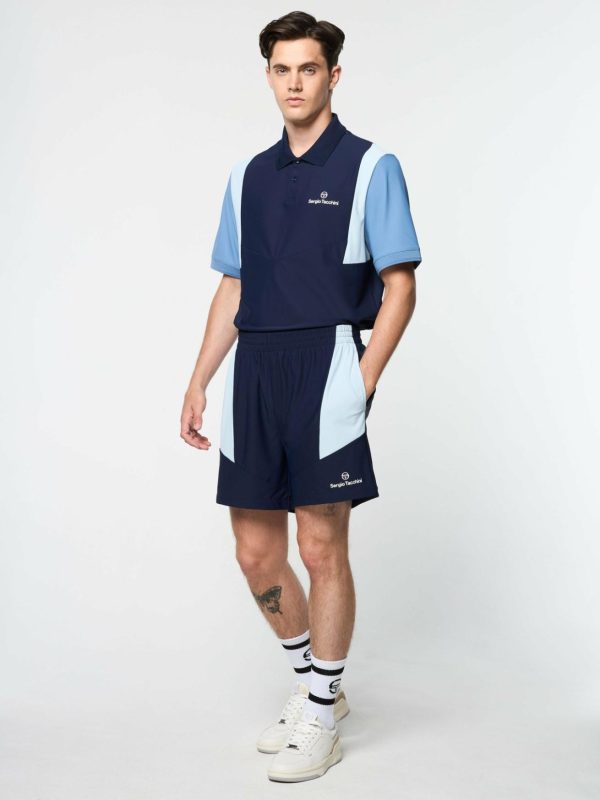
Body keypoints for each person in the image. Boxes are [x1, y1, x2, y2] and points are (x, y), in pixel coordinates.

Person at [180, 10, 422, 783]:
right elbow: (234, 285)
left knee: (321, 546)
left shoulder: (371, 165)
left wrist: (363, 377)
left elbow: (400, 285)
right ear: (268, 76)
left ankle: (321, 714)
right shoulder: (247, 176)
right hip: (255, 366)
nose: (294, 82)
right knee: (255, 550)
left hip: (327, 360)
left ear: (333, 76)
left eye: (308, 69)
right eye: (282, 69)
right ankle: (318, 684)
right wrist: (198, 379)